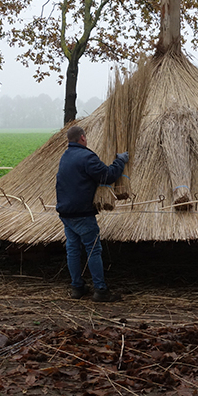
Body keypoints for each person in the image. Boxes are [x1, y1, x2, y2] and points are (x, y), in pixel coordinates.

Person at [56, 125, 128, 302]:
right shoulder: (87, 157)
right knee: (93, 250)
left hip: (66, 213)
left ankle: (77, 287)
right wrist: (120, 161)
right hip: (82, 213)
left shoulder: (65, 157)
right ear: (82, 138)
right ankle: (101, 290)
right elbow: (107, 176)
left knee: (72, 249)